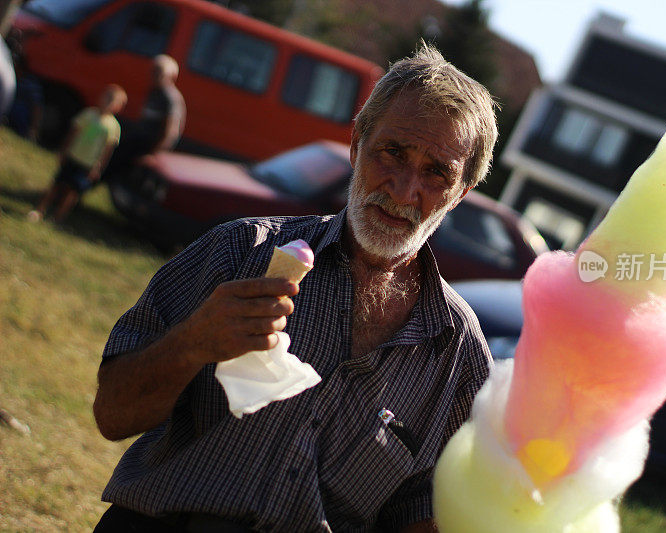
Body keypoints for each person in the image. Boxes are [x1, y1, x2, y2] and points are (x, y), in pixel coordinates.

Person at [93, 44, 498, 532]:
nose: (404, 189)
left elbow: (423, 518)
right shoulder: (241, 251)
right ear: (356, 145)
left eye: (437, 173)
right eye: (392, 152)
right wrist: (194, 342)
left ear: (460, 195)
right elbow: (113, 413)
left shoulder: (460, 358)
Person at [28, 84, 126, 222]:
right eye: (107, 97)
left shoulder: (114, 127)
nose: (108, 102)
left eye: (112, 100)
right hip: (73, 156)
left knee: (73, 191)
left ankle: (58, 217)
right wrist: (63, 151)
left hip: (87, 164)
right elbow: (73, 133)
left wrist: (98, 167)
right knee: (56, 184)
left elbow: (107, 150)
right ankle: (39, 210)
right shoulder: (88, 114)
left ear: (119, 107)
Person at [103, 54, 185, 179]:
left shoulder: (170, 98)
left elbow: (170, 132)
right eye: (154, 71)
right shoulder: (154, 92)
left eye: (159, 72)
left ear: (170, 76)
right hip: (138, 139)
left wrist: (154, 154)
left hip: (148, 146)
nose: (154, 75)